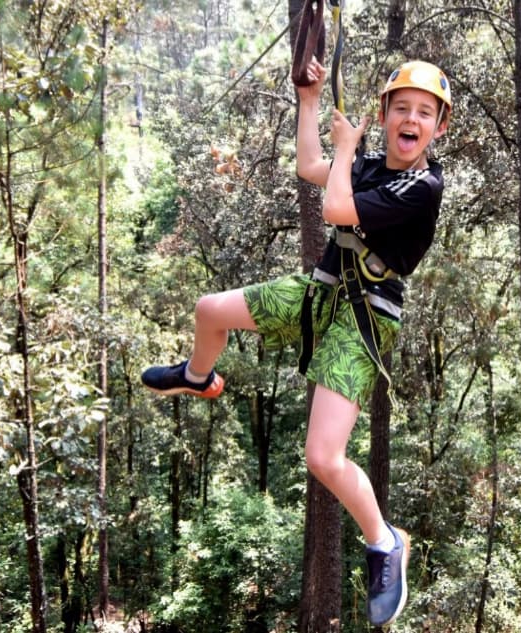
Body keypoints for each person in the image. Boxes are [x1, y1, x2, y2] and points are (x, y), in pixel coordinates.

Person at [141, 57, 451, 627]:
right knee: (210, 311)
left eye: (423, 113)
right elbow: (312, 164)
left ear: (439, 127)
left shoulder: (422, 186)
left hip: (363, 317)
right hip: (320, 292)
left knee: (322, 457)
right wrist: (309, 100)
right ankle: (197, 376)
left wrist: (345, 152)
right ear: (384, 115)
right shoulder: (372, 166)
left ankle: (385, 543)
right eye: (401, 108)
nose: (411, 119)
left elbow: (334, 205)